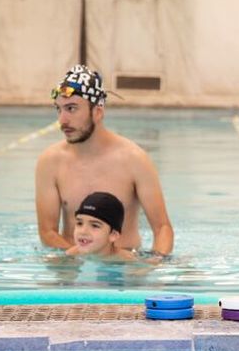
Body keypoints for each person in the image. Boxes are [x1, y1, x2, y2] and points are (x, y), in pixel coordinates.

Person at [35, 65, 173, 258]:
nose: (62, 120)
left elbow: (162, 228)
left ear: (97, 112)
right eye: (59, 109)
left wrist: (155, 264)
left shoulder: (134, 160)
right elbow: (47, 232)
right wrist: (80, 260)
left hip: (124, 267)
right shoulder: (50, 162)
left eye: (71, 109)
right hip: (75, 265)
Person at [66, 192, 137, 260]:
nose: (83, 231)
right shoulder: (69, 257)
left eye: (94, 225)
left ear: (113, 235)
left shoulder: (128, 261)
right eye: (79, 223)